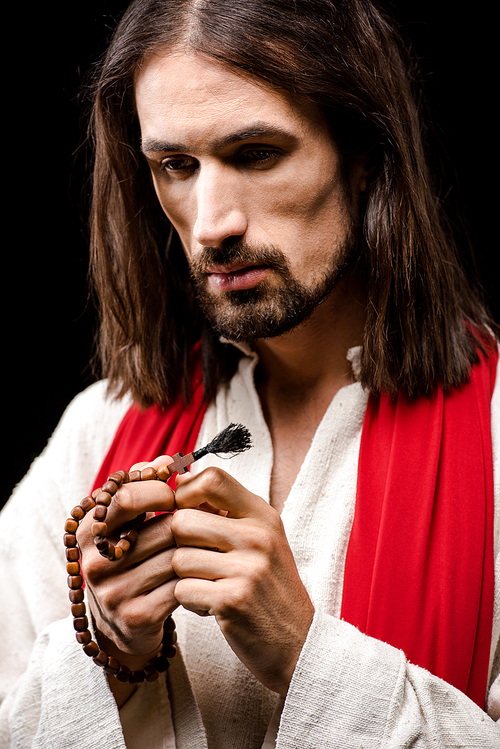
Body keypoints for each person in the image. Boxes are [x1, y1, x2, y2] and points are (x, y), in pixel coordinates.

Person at [1, 0, 499, 746]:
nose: (210, 224)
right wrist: (106, 654)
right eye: (176, 166)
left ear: (365, 154)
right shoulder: (96, 435)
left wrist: (310, 657)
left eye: (257, 153)